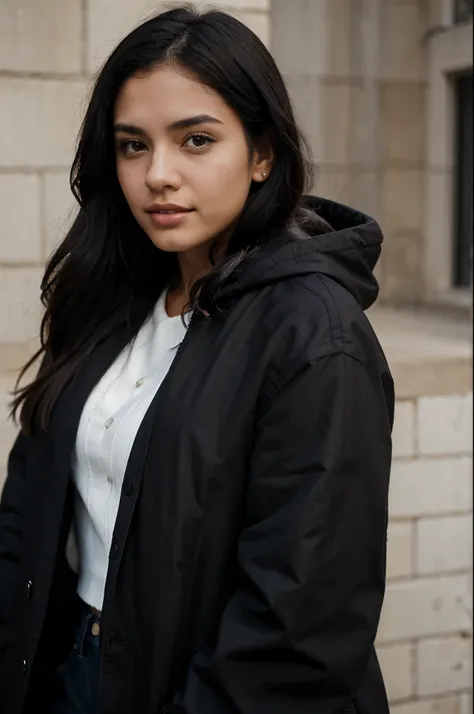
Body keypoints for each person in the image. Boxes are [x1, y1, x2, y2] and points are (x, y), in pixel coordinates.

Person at [0, 5, 394, 714]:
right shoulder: (111, 300)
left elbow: (300, 622)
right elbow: (28, 513)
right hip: (74, 672)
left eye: (197, 140)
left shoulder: (314, 333)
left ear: (263, 153)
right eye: (131, 145)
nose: (158, 174)